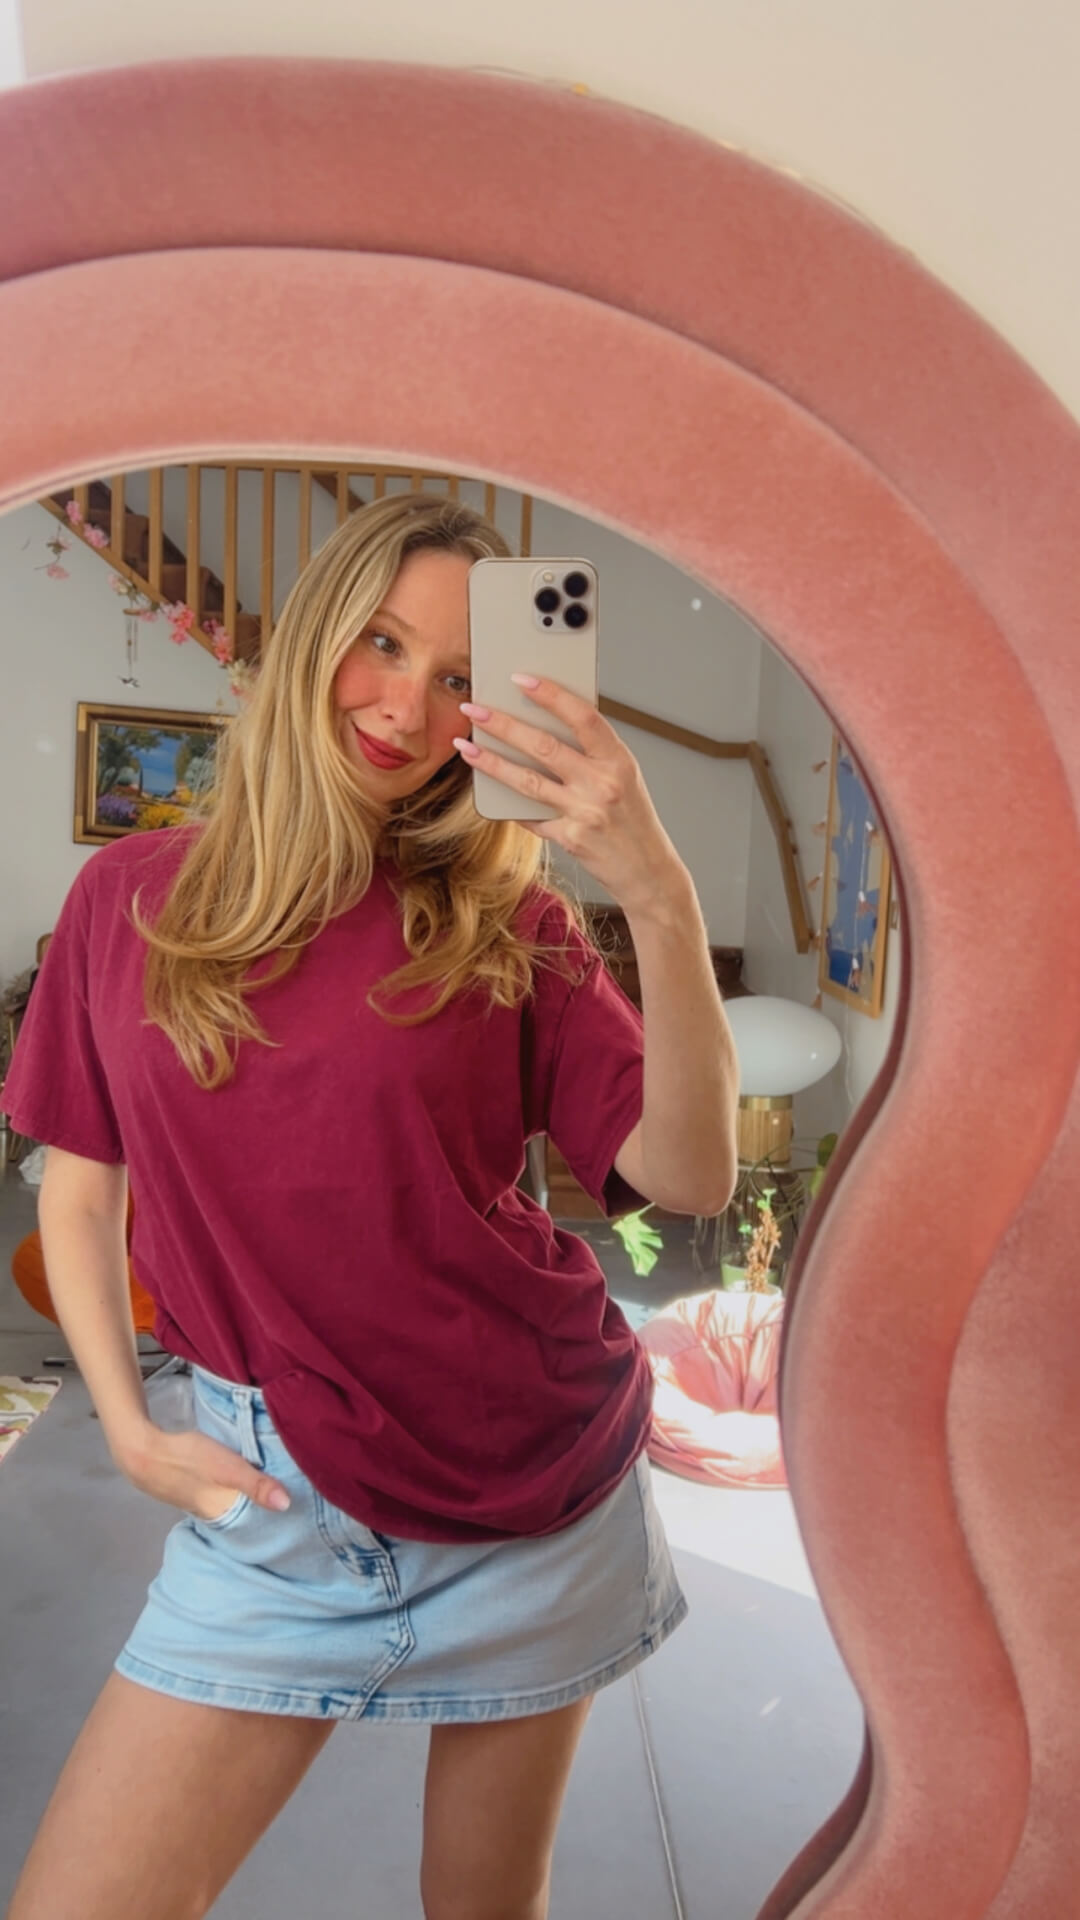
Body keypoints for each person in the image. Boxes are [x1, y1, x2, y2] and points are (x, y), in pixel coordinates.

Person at [2, 493, 739, 1920]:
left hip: (530, 1489)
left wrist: (658, 892)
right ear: (316, 635)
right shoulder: (130, 898)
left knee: (483, 1909)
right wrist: (135, 1430)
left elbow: (691, 1176)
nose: (407, 705)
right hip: (271, 1514)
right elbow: (82, 1190)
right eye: (384, 643)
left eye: (462, 676)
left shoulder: (511, 921)